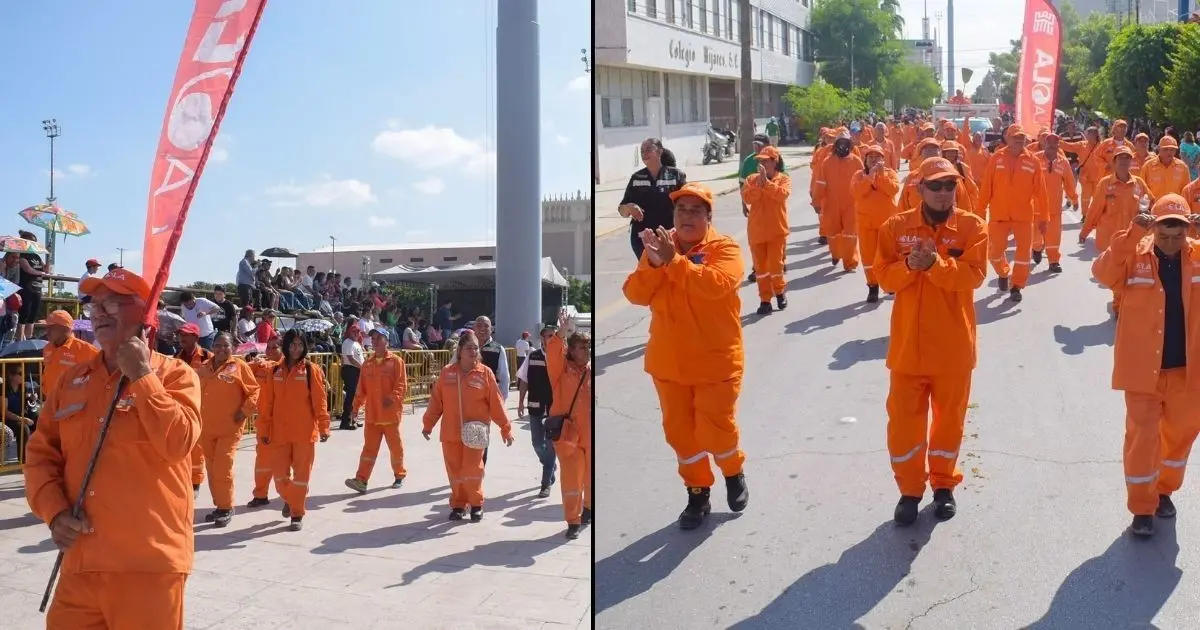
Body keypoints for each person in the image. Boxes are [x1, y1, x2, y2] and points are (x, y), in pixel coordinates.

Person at [23, 267, 202, 628]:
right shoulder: (73, 381)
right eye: (96, 304)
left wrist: (142, 377)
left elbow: (178, 442)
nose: (100, 312)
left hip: (146, 565)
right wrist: (54, 513)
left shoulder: (174, 375)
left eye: (114, 303)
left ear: (145, 312)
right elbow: (41, 456)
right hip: (80, 563)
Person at [622, 181, 749, 530]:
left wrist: (673, 261)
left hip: (715, 363)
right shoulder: (660, 249)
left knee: (716, 431)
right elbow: (635, 294)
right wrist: (651, 261)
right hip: (670, 365)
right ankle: (698, 493)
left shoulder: (725, 248)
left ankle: (733, 471)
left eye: (696, 210)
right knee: (681, 435)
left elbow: (717, 285)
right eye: (681, 210)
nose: (687, 216)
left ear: (708, 217)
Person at [874, 157, 988, 525]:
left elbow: (973, 276)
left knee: (948, 424)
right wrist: (909, 267)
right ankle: (909, 491)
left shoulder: (972, 228)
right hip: (908, 348)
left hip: (953, 349)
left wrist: (935, 265)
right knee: (904, 426)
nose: (943, 193)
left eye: (949, 185)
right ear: (919, 188)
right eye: (935, 186)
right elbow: (884, 277)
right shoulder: (895, 227)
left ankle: (943, 486)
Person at [1092, 194, 1200, 537]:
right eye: (1163, 235)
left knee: (1180, 437)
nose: (1170, 244)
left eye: (1177, 236)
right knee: (1141, 438)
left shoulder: (1197, 256)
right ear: (1152, 227)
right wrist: (1129, 233)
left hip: (1188, 371)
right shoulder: (1133, 252)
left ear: (1187, 231)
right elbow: (1102, 273)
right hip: (1142, 371)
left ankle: (1164, 490)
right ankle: (1141, 507)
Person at [422, 330, 515, 522]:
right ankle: (458, 504)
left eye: (475, 348)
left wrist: (506, 428)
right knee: (455, 471)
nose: (473, 352)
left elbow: (496, 403)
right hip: (450, 432)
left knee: (472, 469)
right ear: (460, 351)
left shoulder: (485, 373)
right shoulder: (447, 373)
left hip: (476, 433)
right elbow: (436, 402)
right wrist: (428, 424)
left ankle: (476, 504)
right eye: (468, 348)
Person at [256, 329, 331, 531]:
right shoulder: (275, 371)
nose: (296, 348)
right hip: (279, 433)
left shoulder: (310, 370)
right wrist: (263, 429)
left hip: (304, 433)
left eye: (300, 344)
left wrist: (324, 425)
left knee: (301, 476)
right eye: (292, 344)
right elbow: (267, 403)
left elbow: (319, 400)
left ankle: (297, 513)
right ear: (286, 346)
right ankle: (291, 499)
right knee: (280, 478)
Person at [977, 125, 1049, 303]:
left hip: (1023, 216)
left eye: (1022, 137)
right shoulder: (996, 157)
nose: (1019, 140)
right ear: (1007, 138)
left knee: (1023, 253)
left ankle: (1016, 286)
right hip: (999, 215)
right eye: (1015, 137)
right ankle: (1003, 272)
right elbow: (987, 186)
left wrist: (1044, 217)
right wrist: (979, 212)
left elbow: (1041, 191)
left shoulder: (1033, 161)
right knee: (994, 252)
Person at [1081, 146, 1153, 318]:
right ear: (1114, 162)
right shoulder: (1105, 184)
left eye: (1127, 158)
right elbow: (1095, 209)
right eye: (1120, 158)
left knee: (1133, 271)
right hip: (1112, 239)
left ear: (1131, 162)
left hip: (1133, 237)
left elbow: (1151, 202)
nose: (1124, 162)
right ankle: (1119, 305)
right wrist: (1085, 231)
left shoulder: (1139, 184)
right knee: (1118, 273)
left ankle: (1124, 303)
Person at [195, 332, 258, 528]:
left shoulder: (239, 367)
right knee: (212, 470)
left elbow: (254, 390)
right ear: (212, 347)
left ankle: (226, 507)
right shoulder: (203, 369)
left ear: (233, 347)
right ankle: (219, 505)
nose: (222, 349)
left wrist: (245, 411)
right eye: (218, 345)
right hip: (206, 428)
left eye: (226, 345)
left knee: (223, 467)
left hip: (229, 429)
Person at [344, 327, 409, 493]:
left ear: (387, 340)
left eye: (379, 338)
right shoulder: (367, 364)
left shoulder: (396, 362)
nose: (375, 341)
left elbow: (401, 385)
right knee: (368, 449)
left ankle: (399, 475)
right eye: (373, 339)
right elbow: (361, 389)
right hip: (372, 415)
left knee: (395, 448)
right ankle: (361, 480)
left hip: (389, 415)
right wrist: (355, 408)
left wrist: (392, 398)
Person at [546, 310, 592, 540]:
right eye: (582, 347)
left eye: (588, 347)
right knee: (572, 480)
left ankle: (589, 509)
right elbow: (554, 354)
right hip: (568, 436)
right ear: (571, 351)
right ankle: (573, 520)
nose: (587, 351)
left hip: (590, 437)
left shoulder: (591, 371)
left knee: (590, 478)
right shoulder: (561, 371)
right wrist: (561, 335)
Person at [741, 144, 792, 315]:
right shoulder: (751, 180)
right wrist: (759, 184)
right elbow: (747, 198)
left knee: (775, 266)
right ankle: (765, 300)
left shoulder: (783, 179)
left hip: (776, 231)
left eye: (765, 161)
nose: (761, 164)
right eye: (760, 161)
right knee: (760, 269)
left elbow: (782, 195)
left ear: (774, 162)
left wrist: (768, 183)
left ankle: (779, 292)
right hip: (756, 232)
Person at [617, 138, 687, 260]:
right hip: (643, 240)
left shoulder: (676, 176)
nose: (644, 154)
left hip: (670, 237)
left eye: (648, 150)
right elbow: (621, 210)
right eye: (642, 151)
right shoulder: (637, 178)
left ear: (659, 152)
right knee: (650, 274)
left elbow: (687, 204)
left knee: (671, 272)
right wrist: (629, 208)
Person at [851, 144, 902, 303]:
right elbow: (856, 193)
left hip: (887, 224)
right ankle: (873, 287)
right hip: (866, 224)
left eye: (877, 157)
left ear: (883, 160)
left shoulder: (890, 174)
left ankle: (890, 283)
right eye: (871, 157)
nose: (874, 160)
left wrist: (880, 176)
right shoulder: (859, 176)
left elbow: (892, 190)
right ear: (865, 160)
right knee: (868, 257)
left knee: (888, 255)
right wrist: (869, 177)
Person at [813, 131, 866, 271]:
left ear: (849, 144)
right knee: (833, 233)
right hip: (831, 205)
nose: (842, 146)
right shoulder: (827, 162)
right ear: (835, 145)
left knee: (850, 234)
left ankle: (849, 263)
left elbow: (863, 182)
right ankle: (836, 254)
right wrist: (816, 201)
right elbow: (820, 183)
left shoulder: (856, 161)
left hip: (851, 205)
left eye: (845, 143)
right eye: (840, 143)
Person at [517, 326, 559, 498]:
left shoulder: (562, 356)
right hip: (535, 408)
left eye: (553, 335)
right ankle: (551, 467)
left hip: (554, 411)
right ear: (541, 338)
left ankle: (545, 483)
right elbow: (524, 381)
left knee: (550, 447)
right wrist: (520, 402)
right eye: (546, 336)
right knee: (537, 444)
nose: (549, 338)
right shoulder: (532, 356)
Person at [1032, 133, 1079, 273]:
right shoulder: (1035, 159)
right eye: (1049, 143)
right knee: (1036, 235)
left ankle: (1053, 261)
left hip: (1054, 207)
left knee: (1054, 236)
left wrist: (1074, 198)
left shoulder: (1063, 162)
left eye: (1055, 143)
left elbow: (1070, 182)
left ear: (1058, 145)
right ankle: (1036, 248)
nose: (1052, 145)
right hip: (1036, 207)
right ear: (1045, 144)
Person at [246, 335, 283, 508]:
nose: (270, 351)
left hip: (284, 422)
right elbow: (243, 371)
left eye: (275, 347)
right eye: (268, 348)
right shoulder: (261, 366)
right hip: (264, 421)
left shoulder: (289, 367)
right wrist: (254, 363)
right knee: (262, 460)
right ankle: (260, 494)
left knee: (285, 461)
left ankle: (290, 496)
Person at [473, 316, 510, 466]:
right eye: (479, 325)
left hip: (485, 400)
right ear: (474, 328)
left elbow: (504, 376)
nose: (482, 328)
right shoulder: (465, 346)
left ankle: (479, 467)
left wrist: (500, 402)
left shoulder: (497, 349)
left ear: (492, 329)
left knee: (481, 434)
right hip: (464, 398)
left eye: (486, 326)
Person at [41, 310, 100, 399]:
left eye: (51, 328)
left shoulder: (85, 349)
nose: (47, 332)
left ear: (64, 328)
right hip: (51, 401)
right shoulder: (48, 348)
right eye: (46, 328)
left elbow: (104, 373)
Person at [15, 230, 49, 341]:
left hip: (37, 288)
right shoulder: (21, 255)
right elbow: (28, 269)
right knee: (23, 315)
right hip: (26, 287)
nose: (33, 244)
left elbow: (45, 269)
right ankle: (20, 341)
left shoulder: (36, 256)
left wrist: (48, 256)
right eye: (31, 242)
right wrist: (41, 273)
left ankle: (29, 339)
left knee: (32, 316)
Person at [339, 323, 366, 431]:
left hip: (356, 370)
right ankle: (346, 421)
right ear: (349, 332)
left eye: (358, 332)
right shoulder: (347, 342)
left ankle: (353, 418)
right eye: (354, 331)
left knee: (356, 396)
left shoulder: (356, 343)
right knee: (350, 397)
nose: (356, 333)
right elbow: (350, 358)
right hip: (351, 370)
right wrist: (362, 367)